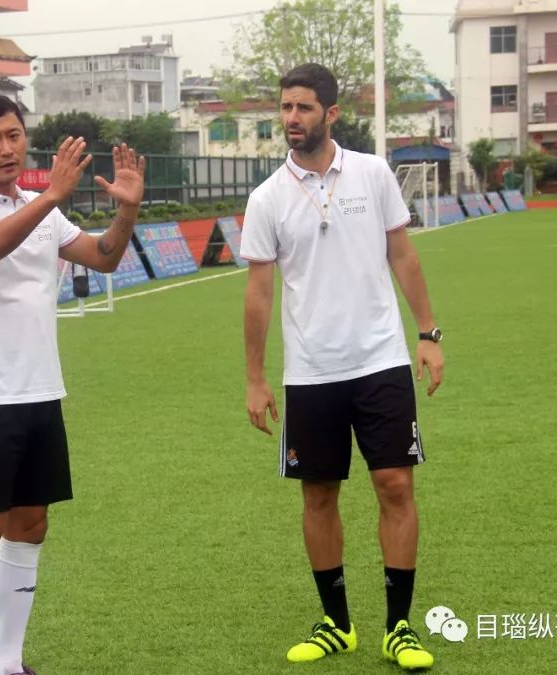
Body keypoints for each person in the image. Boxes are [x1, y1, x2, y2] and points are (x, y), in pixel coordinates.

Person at [0, 93, 145, 675]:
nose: (7, 148)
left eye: (14, 135)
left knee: (30, 527)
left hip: (40, 392)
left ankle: (8, 663)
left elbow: (102, 258)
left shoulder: (42, 209)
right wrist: (51, 195)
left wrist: (124, 211)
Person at [241, 64, 445, 671]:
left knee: (395, 485)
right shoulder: (267, 198)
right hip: (310, 373)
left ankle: (399, 628)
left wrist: (428, 333)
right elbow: (258, 295)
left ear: (331, 114)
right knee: (319, 493)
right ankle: (337, 624)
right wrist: (254, 377)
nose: (291, 119)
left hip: (381, 361)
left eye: (303, 108)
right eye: (285, 108)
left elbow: (402, 255)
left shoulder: (373, 173)